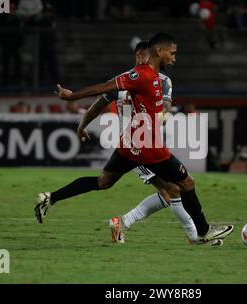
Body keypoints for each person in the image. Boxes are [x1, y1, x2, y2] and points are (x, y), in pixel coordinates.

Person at [34, 33, 234, 244]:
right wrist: (72, 96)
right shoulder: (141, 76)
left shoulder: (158, 79)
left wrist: (161, 113)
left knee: (103, 181)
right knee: (185, 183)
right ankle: (202, 232)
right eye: (172, 53)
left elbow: (161, 104)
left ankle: (50, 198)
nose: (174, 58)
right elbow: (103, 88)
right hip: (148, 146)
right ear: (158, 51)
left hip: (129, 143)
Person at [75, 40, 219, 246]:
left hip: (149, 144)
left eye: (145, 56)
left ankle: (123, 222)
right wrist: (82, 124)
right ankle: (195, 236)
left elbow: (166, 104)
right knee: (175, 189)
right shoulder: (124, 81)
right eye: (138, 56)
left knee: (170, 191)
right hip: (135, 146)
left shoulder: (162, 80)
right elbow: (98, 104)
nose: (142, 60)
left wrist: (162, 113)